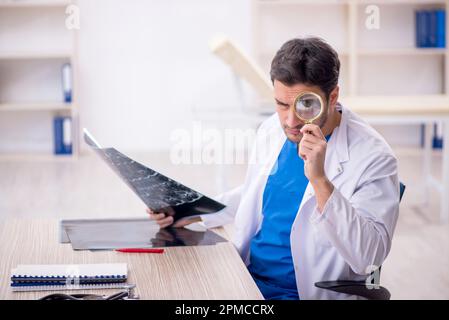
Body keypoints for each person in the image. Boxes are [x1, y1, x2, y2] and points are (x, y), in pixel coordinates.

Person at [147, 37, 400, 300]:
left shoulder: (374, 157)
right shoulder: (272, 129)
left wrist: (320, 181)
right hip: (249, 281)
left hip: (304, 293)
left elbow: (369, 258)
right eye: (281, 104)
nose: (290, 120)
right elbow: (260, 193)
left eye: (305, 105)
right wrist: (192, 209)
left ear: (332, 96)